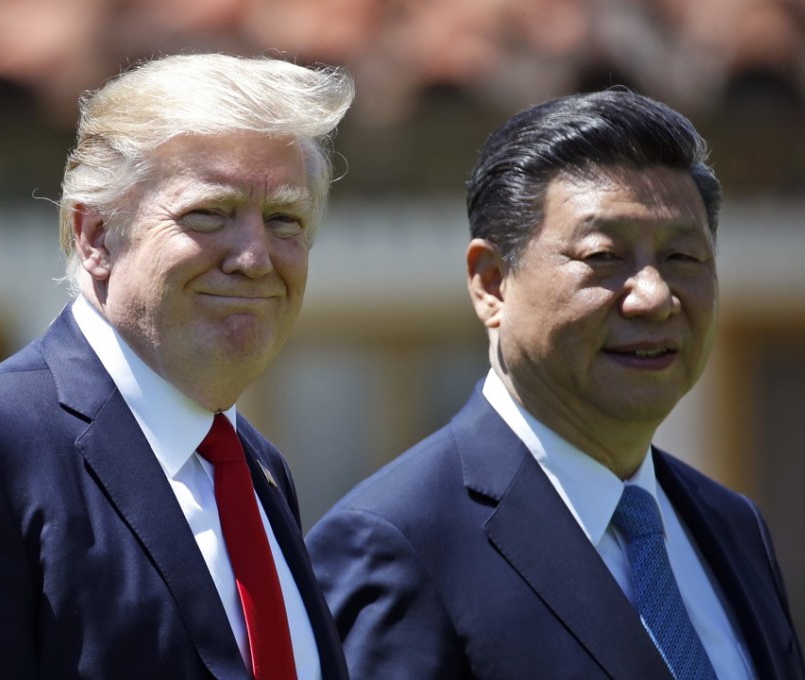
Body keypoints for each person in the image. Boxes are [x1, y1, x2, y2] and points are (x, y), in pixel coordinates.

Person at [0, 53, 354, 679]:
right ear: (96, 234)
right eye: (209, 213)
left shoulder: (256, 469)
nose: (254, 257)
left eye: (284, 219)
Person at [307, 88, 805, 679]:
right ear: (492, 284)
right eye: (603, 256)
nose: (654, 296)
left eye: (683, 259)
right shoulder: (399, 543)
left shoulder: (731, 526)